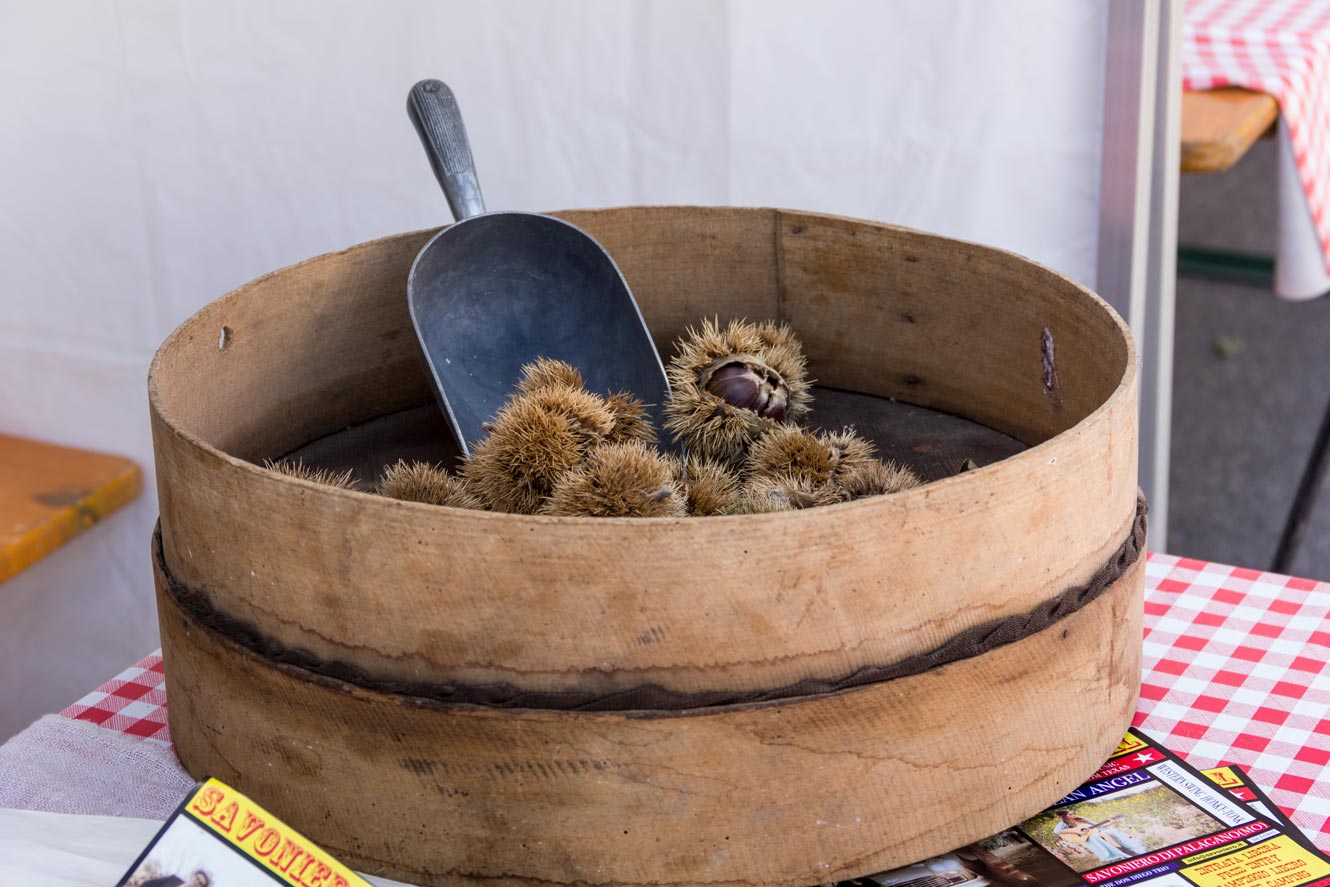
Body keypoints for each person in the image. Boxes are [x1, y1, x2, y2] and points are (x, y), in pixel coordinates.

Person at [1053, 810, 1147, 863]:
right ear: (1065, 817)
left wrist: (1111, 822)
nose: (1073, 814)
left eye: (1072, 813)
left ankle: (1125, 848)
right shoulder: (1063, 824)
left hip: (1096, 832)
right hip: (1087, 837)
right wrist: (1077, 831)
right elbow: (1056, 831)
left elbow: (1099, 825)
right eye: (1070, 814)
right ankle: (1123, 850)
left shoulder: (1082, 819)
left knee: (1111, 831)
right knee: (1100, 835)